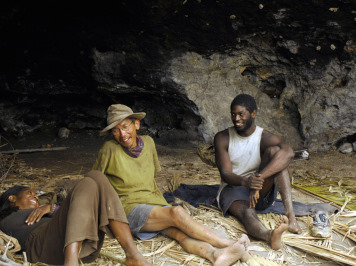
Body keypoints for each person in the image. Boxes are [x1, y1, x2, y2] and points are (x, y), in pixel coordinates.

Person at [92, 104, 249, 266]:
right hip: (129, 209)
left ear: (136, 124)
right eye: (115, 130)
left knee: (180, 234)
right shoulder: (109, 149)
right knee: (177, 213)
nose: (122, 134)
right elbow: (95, 181)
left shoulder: (149, 142)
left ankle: (215, 255)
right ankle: (228, 244)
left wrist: (157, 203)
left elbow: (149, 176)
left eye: (125, 127)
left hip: (154, 204)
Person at [0, 170, 151, 266]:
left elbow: (62, 202)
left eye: (36, 195)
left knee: (96, 175)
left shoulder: (44, 206)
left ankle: (132, 254)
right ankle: (71, 262)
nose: (35, 197)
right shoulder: (5, 218)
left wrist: (51, 208)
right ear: (12, 198)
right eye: (29, 193)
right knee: (87, 183)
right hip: (42, 247)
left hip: (82, 246)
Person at [214, 94, 302, 250]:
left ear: (253, 114)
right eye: (233, 114)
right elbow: (225, 174)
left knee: (276, 152)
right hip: (233, 189)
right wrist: (246, 182)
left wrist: (257, 179)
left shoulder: (263, 136)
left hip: (260, 190)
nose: (236, 118)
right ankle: (269, 235)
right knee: (247, 213)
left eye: (241, 114)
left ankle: (291, 217)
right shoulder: (223, 138)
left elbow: (289, 153)